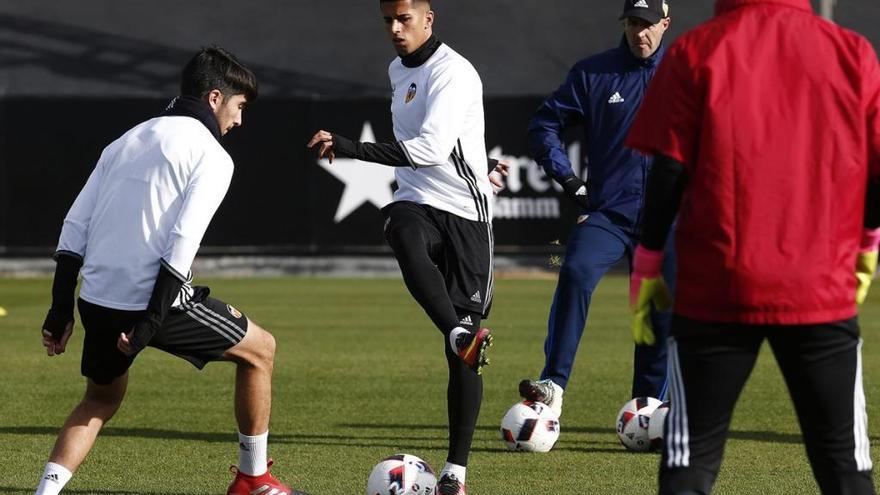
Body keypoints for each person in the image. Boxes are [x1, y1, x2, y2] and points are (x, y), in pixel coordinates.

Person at [625, 0, 880, 493]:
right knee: (845, 468)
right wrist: (868, 243)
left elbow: (668, 173)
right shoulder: (852, 51)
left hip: (717, 288)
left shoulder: (696, 50)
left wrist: (647, 264)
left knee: (690, 464)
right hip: (819, 287)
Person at [36, 46, 306, 495]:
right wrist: (152, 321)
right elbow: (183, 242)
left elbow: (74, 225)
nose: (239, 120)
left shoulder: (126, 139)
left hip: (97, 298)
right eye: (239, 107)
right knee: (261, 350)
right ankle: (252, 480)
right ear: (216, 98)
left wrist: (60, 309)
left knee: (100, 399)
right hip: (152, 301)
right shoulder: (212, 155)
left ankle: (45, 492)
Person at [307, 1, 495, 492]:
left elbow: (432, 149)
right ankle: (456, 331)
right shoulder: (398, 69)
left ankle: (455, 472)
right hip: (419, 198)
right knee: (399, 224)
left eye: (404, 18)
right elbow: (427, 152)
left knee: (463, 361)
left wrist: (352, 148)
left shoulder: (453, 72)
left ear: (429, 19)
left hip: (468, 217)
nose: (394, 28)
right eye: (388, 20)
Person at [519, 0, 674, 418]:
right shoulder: (594, 72)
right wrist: (569, 180)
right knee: (576, 270)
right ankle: (553, 386)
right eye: (632, 23)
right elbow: (544, 124)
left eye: (647, 25)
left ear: (665, 23)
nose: (639, 33)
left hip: (666, 219)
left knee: (657, 309)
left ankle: (648, 407)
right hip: (608, 212)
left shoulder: (685, 75)